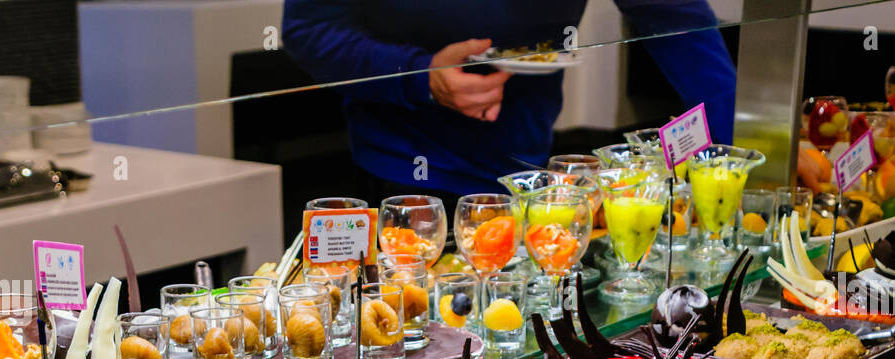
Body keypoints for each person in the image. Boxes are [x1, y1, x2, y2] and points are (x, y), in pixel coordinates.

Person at [281, 0, 736, 205]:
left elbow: (675, 17)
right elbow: (308, 30)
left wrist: (745, 139)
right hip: (401, 174)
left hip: (529, 167)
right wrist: (420, 74)